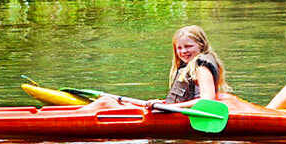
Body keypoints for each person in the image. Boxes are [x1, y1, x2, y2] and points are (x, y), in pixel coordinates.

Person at [89, 25, 229, 110]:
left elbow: (207, 101)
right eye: (179, 48)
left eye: (188, 46)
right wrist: (161, 104)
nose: (183, 51)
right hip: (178, 111)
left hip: (188, 115)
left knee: (106, 103)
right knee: (108, 102)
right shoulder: (189, 65)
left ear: (201, 45)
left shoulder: (201, 68)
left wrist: (168, 108)